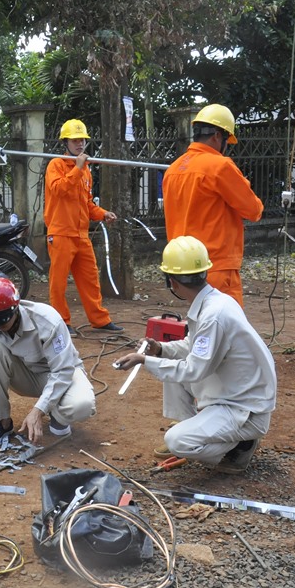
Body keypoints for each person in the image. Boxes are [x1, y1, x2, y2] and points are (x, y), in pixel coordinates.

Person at [114, 237, 277, 474]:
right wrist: (160, 349)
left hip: (246, 410)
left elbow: (193, 369)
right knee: (170, 364)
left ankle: (238, 447)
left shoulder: (213, 315)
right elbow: (194, 346)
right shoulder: (215, 302)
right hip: (238, 393)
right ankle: (196, 427)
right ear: (204, 273)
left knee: (177, 442)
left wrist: (145, 360)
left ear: (171, 282)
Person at [0, 277, 97, 446]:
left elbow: (63, 371)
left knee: (82, 405)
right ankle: (3, 423)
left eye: (3, 319)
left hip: (62, 372)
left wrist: (39, 410)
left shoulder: (47, 320)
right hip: (27, 376)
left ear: (15, 309)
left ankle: (57, 413)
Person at [162, 104, 264, 307]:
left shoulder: (173, 169)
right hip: (215, 264)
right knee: (228, 330)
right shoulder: (220, 166)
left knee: (201, 326)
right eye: (227, 140)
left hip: (183, 268)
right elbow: (254, 210)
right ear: (218, 136)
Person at [43, 118, 123, 334]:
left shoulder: (85, 170)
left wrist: (102, 213)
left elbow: (86, 204)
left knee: (90, 279)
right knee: (58, 283)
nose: (80, 144)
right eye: (75, 140)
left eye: (82, 140)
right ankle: (61, 322)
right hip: (60, 233)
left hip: (81, 234)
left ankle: (99, 320)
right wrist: (77, 168)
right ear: (65, 142)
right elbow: (59, 190)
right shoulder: (55, 165)